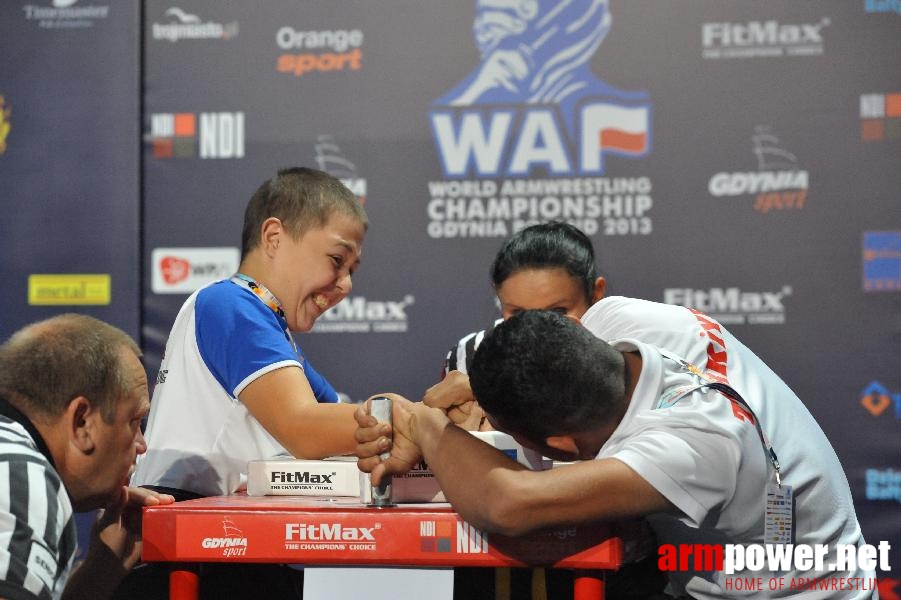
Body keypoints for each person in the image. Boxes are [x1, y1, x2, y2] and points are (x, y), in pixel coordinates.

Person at [356, 310, 876, 599]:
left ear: (559, 442)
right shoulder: (617, 322)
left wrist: (425, 424)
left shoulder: (694, 446)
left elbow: (507, 502)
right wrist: (477, 396)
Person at [131, 166, 367, 500]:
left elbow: (342, 422)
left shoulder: (268, 325)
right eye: (336, 259)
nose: (345, 284)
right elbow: (304, 427)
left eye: (351, 270)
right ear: (274, 238)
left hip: (219, 531)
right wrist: (417, 423)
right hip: (187, 531)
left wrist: (432, 427)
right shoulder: (230, 303)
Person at [0, 313, 174, 600]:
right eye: (134, 421)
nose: (142, 445)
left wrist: (102, 569)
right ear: (82, 422)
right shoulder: (21, 475)